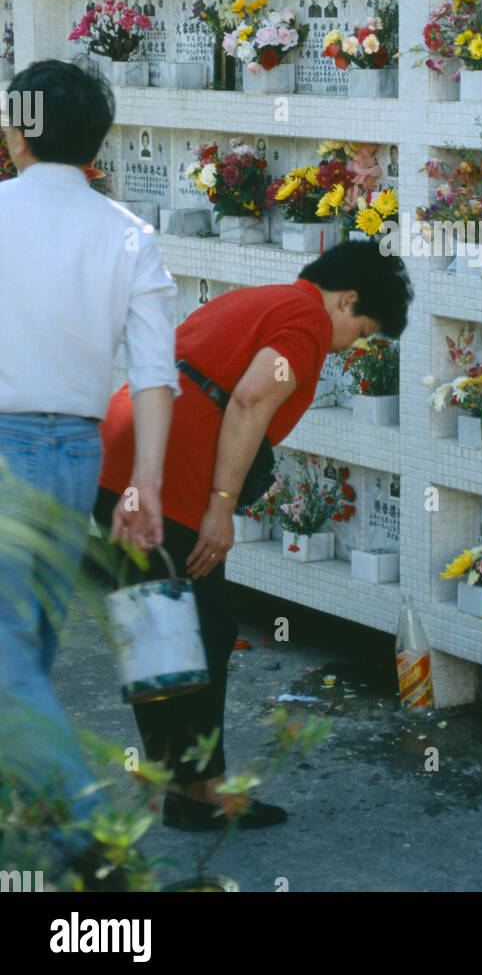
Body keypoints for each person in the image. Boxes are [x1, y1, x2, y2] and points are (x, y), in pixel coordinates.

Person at [93, 241, 412, 831]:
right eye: (363, 331)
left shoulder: (264, 300)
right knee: (202, 628)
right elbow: (249, 400)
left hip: (123, 449)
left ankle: (184, 787)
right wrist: (219, 509)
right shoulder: (309, 322)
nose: (354, 347)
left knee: (164, 624)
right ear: (348, 301)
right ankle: (198, 791)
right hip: (168, 472)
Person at [0, 61, 177, 883]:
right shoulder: (129, 234)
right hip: (76, 454)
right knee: (23, 650)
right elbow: (152, 375)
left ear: (17, 131)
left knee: (8, 661)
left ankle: (92, 840)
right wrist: (142, 484)